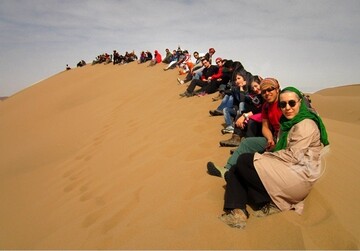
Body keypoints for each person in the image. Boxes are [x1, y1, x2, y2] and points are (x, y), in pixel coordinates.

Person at [218, 86, 329, 229]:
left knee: (245, 160)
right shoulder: (288, 123)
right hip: (287, 171)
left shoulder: (305, 124)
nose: (287, 107)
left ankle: (268, 203)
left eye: (292, 103)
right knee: (235, 170)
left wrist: (265, 156)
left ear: (300, 102)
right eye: (283, 104)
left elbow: (293, 157)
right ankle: (238, 211)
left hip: (297, 177)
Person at [207, 78, 283, 177]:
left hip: (289, 141)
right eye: (264, 91)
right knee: (247, 143)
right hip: (275, 138)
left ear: (277, 89)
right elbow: (265, 127)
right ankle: (226, 170)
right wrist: (269, 138)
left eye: (270, 89)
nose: (267, 93)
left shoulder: (285, 102)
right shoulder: (266, 106)